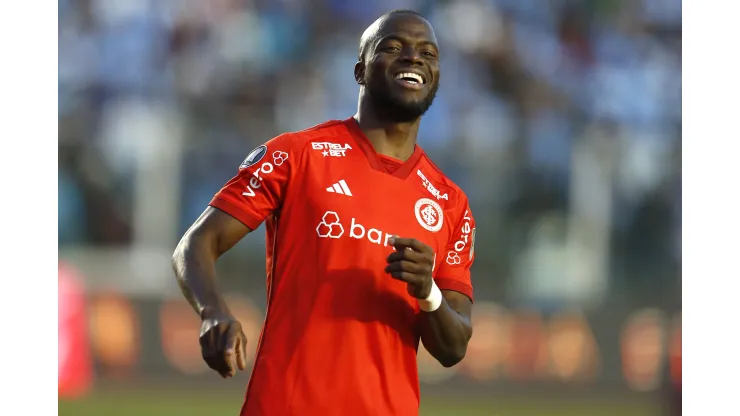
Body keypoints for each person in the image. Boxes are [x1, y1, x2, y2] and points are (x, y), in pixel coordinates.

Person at [172, 9, 476, 416]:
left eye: (428, 53)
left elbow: (454, 347)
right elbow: (196, 244)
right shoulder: (297, 155)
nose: (413, 58)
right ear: (359, 72)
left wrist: (428, 292)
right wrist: (213, 312)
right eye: (392, 47)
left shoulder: (449, 202)